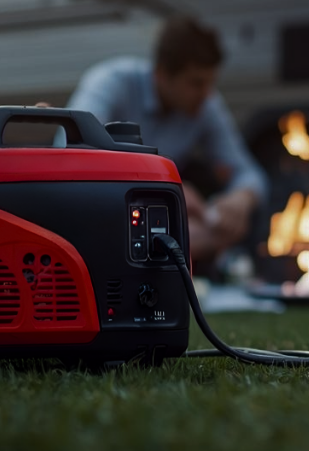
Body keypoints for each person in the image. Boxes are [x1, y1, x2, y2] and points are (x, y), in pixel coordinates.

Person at [66, 15, 269, 266]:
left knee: (214, 230)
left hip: (154, 224)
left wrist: (240, 199)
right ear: (162, 74)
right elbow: (67, 156)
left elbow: (249, 173)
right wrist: (166, 187)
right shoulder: (111, 83)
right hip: (103, 214)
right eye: (196, 83)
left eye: (211, 83)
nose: (207, 94)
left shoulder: (205, 104)